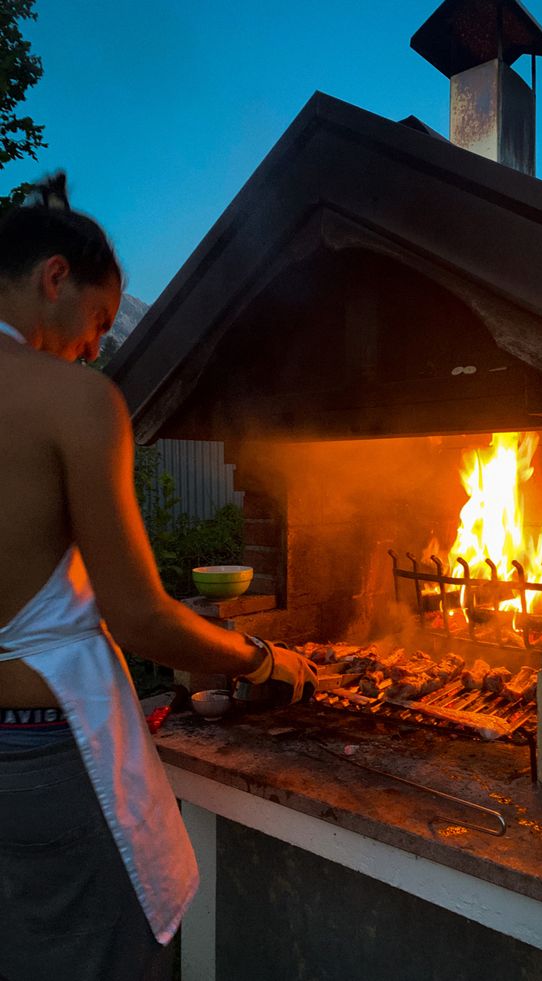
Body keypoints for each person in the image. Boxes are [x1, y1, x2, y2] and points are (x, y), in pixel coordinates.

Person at [0, 174, 317, 981]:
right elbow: (138, 617)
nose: (100, 345)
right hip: (48, 751)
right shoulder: (75, 399)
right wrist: (263, 659)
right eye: (101, 319)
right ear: (54, 278)